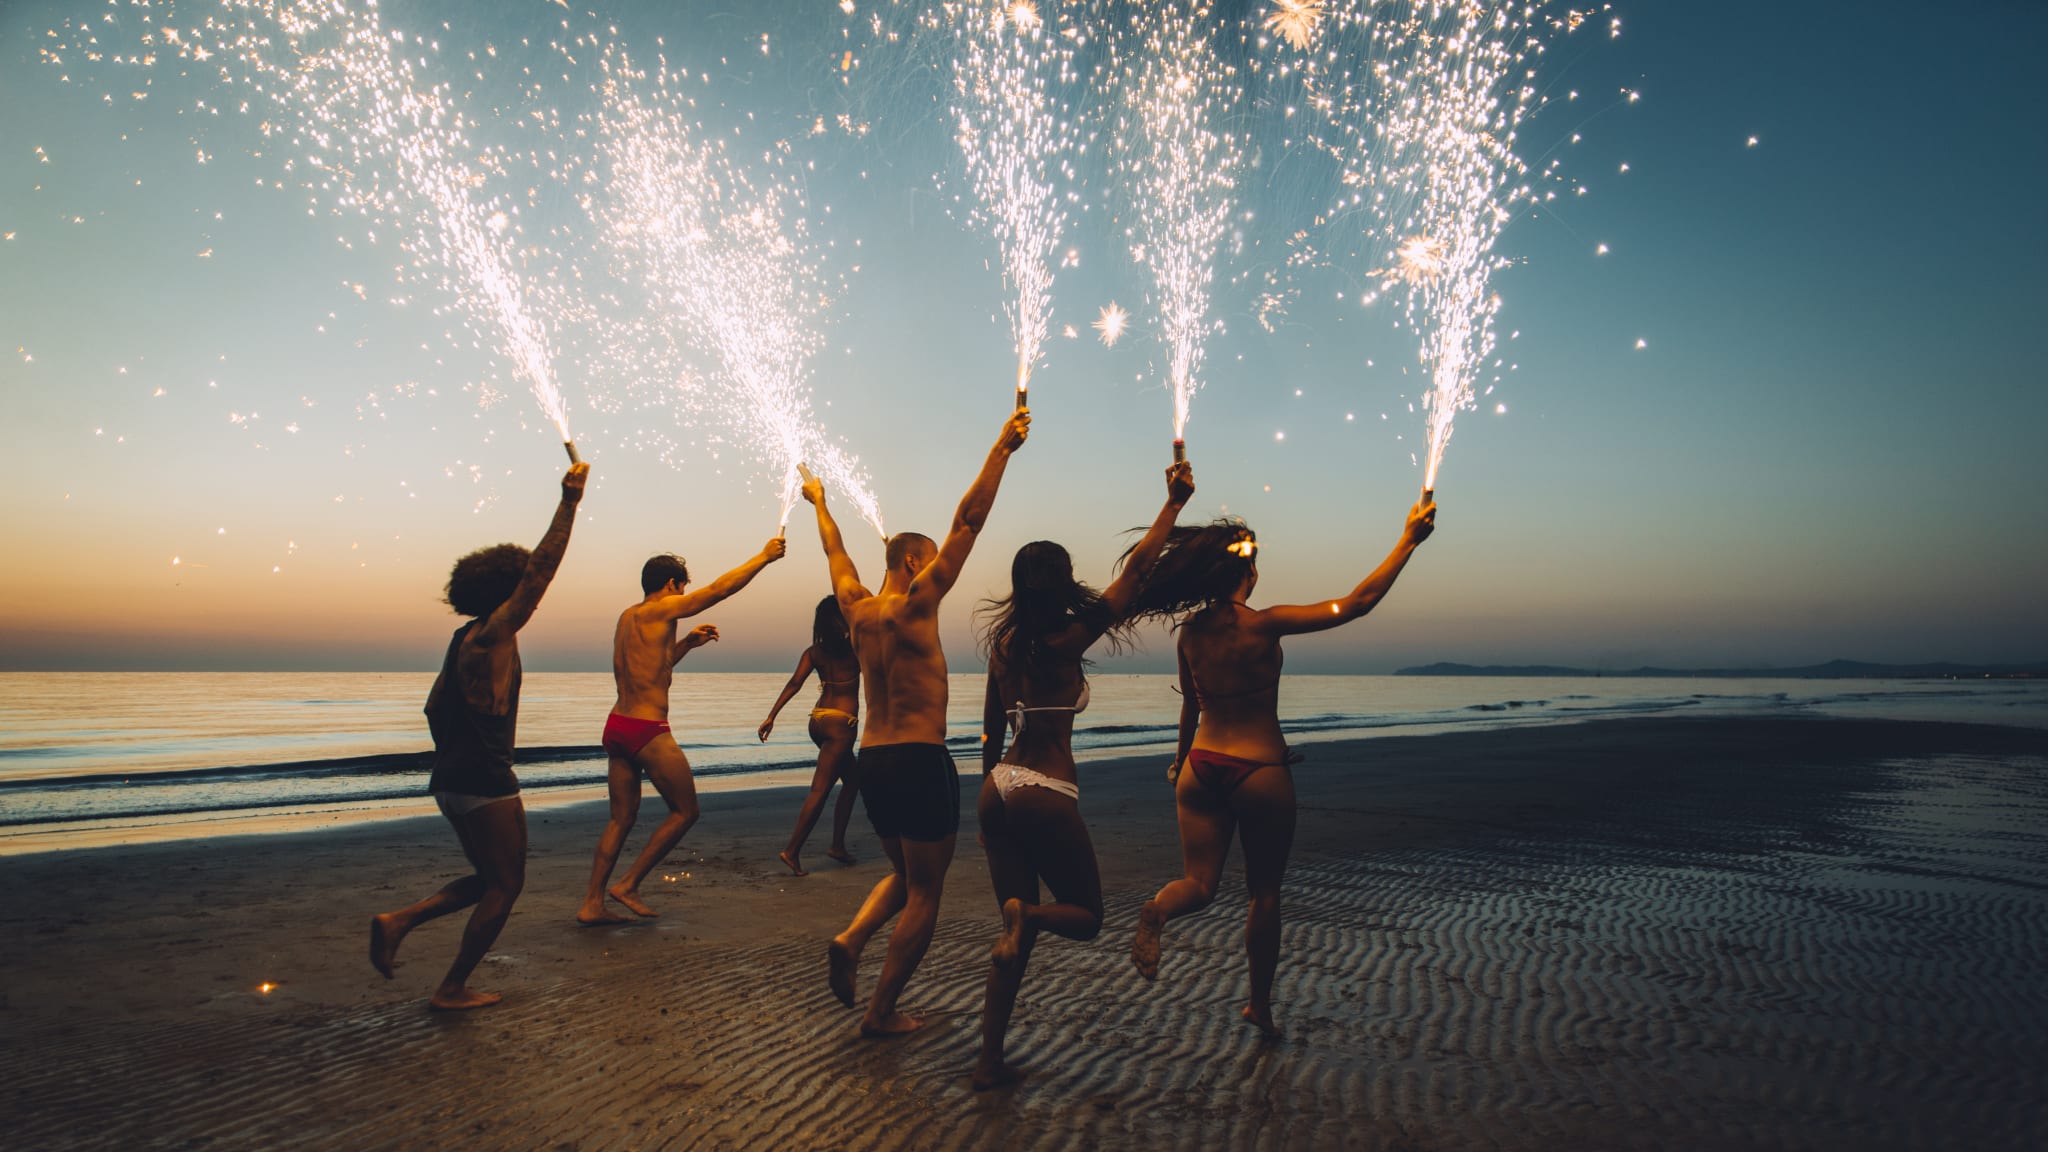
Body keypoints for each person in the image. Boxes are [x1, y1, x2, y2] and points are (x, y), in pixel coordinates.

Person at [1125, 496, 1436, 1036]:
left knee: (1198, 882)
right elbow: (1357, 603)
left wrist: (1179, 762)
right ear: (1249, 572)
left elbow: (1191, 705)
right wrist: (1408, 541)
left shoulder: (1190, 633)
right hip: (1258, 769)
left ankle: (1159, 909)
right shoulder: (1266, 624)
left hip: (1201, 766)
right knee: (1263, 894)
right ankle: (1259, 1007)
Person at [802, 408, 1031, 1037]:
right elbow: (968, 522)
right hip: (920, 759)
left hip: (873, 760)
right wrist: (1002, 449)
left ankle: (852, 939)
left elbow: (834, 549)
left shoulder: (854, 609)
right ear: (912, 563)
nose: (934, 571)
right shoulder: (917, 602)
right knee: (927, 891)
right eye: (927, 562)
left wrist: (820, 502)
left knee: (905, 875)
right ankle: (880, 1012)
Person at [971, 461, 1195, 1090]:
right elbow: (1137, 573)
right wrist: (1173, 504)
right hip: (1043, 788)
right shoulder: (1069, 638)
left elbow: (988, 733)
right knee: (1087, 917)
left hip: (997, 788)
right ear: (1063, 583)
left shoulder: (1003, 650)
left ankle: (989, 1060)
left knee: (1012, 939)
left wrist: (984, 808)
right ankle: (1029, 914)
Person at [368, 461, 589, 1010]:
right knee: (506, 885)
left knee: (491, 877)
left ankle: (400, 921)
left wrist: (458, 750)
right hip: (485, 779)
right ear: (507, 590)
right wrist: (569, 503)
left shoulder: (463, 637)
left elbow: (432, 707)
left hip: (451, 778)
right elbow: (540, 574)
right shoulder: (493, 635)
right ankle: (450, 987)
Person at [574, 536, 788, 925]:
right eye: (683, 587)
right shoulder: (663, 609)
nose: (685, 595)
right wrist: (764, 557)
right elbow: (719, 590)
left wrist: (687, 643)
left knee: (620, 819)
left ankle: (592, 903)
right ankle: (628, 885)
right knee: (686, 811)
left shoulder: (628, 617)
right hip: (648, 730)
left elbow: (652, 666)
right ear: (672, 584)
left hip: (618, 725)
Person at [759, 596, 864, 876]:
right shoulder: (856, 648)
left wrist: (771, 716)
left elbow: (795, 683)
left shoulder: (814, 652)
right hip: (841, 725)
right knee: (820, 789)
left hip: (818, 721)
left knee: (853, 780)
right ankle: (792, 850)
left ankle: (837, 846)